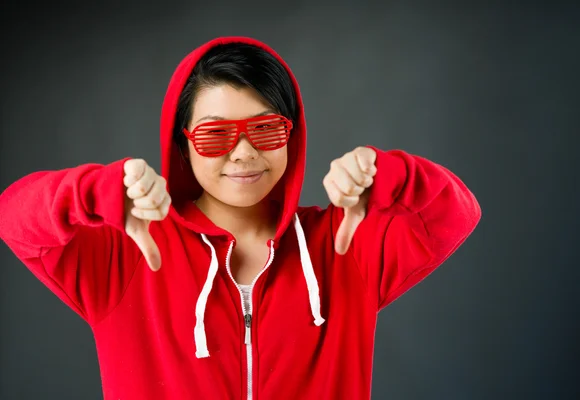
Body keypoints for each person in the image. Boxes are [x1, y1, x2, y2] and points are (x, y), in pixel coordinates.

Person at [0, 36, 481, 399]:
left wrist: (392, 176)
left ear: (291, 136)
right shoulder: (126, 252)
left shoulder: (344, 245)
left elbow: (455, 214)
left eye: (266, 129)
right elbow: (14, 216)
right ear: (184, 146)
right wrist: (92, 192)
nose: (244, 153)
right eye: (215, 136)